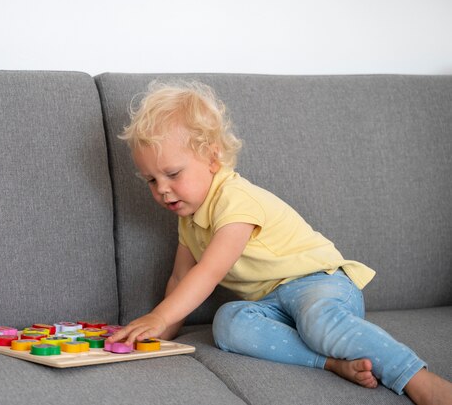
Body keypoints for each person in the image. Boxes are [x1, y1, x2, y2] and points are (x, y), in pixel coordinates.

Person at [107, 81, 452, 405]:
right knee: (228, 323)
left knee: (317, 320)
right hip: (273, 304)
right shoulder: (189, 219)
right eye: (151, 180)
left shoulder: (235, 200)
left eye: (173, 174)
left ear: (212, 159)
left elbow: (209, 273)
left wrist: (157, 316)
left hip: (321, 284)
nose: (162, 189)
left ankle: (416, 378)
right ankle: (329, 362)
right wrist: (153, 338)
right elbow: (181, 280)